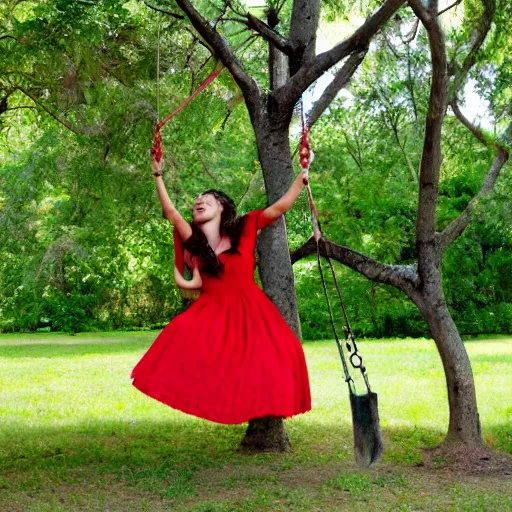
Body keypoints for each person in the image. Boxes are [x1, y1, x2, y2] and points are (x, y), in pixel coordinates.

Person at [131, 159, 311, 425]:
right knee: (181, 345)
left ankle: (260, 408)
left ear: (223, 207)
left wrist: (302, 177)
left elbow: (280, 207)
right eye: (196, 202)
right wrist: (157, 173)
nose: (199, 201)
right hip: (211, 309)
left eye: (207, 199)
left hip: (250, 307)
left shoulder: (246, 225)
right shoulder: (193, 240)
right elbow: (171, 212)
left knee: (283, 353)